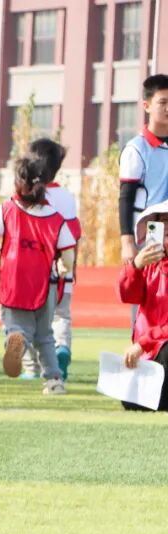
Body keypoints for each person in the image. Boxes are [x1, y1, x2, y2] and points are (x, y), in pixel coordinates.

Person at [0, 155, 76, 395]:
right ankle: (54, 380)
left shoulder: (7, 209)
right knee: (45, 335)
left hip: (14, 277)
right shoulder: (56, 219)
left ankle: (18, 340)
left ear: (17, 182)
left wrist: (0, 252)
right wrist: (65, 268)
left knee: (15, 323)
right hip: (46, 282)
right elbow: (68, 253)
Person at [23, 138, 82, 380]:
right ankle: (62, 349)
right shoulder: (67, 197)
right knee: (61, 315)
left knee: (29, 316)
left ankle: (31, 367)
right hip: (63, 267)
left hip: (32, 270)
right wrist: (73, 264)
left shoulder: (26, 196)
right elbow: (74, 234)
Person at [119, 201, 168, 411]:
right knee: (130, 401)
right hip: (149, 350)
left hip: (159, 347)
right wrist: (135, 267)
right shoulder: (148, 265)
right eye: (163, 224)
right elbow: (127, 295)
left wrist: (143, 344)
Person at [119, 74, 168, 263]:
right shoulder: (136, 149)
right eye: (162, 102)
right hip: (150, 233)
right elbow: (126, 198)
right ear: (146, 106)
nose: (167, 108)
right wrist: (127, 243)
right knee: (152, 289)